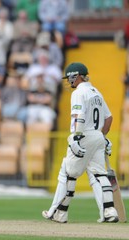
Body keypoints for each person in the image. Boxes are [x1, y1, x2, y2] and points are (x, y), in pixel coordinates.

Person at [42, 62, 119, 223]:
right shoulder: (97, 92)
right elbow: (109, 118)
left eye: (70, 77)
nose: (69, 81)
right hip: (97, 136)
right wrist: (102, 137)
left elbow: (79, 116)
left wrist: (77, 137)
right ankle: (109, 211)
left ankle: (59, 212)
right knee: (99, 174)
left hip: (83, 135)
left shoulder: (79, 92)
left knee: (67, 173)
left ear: (76, 76)